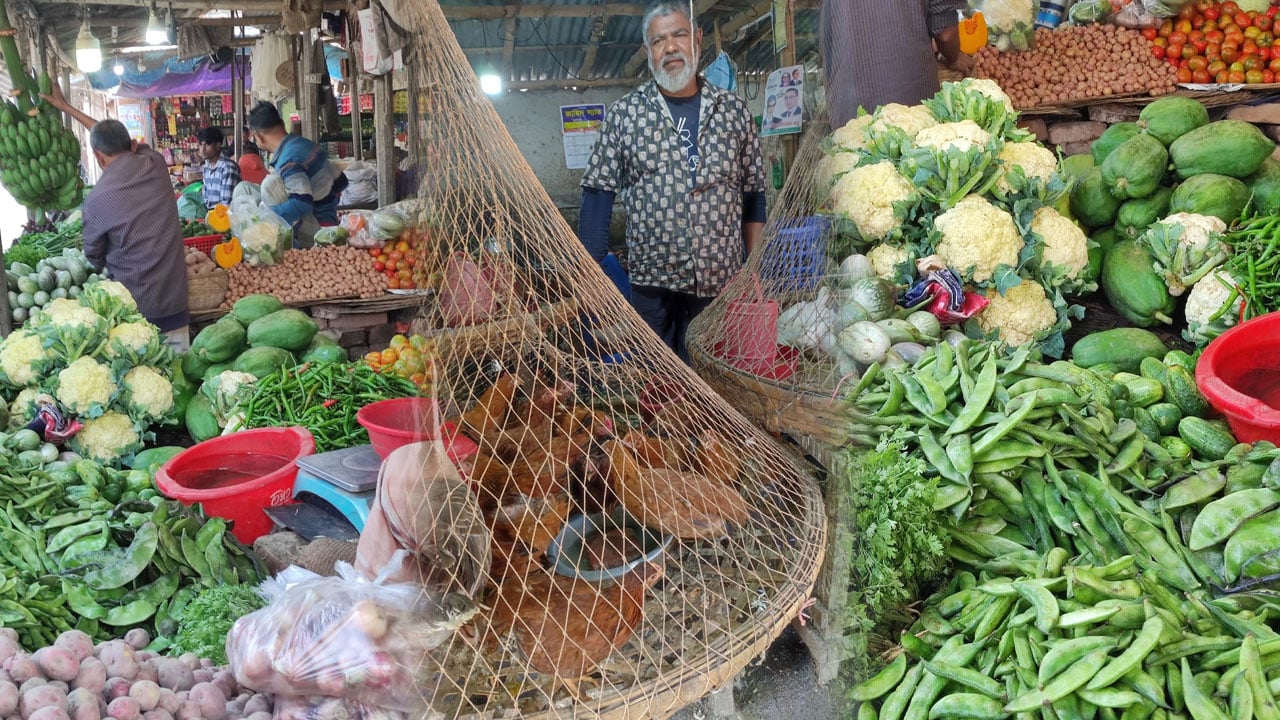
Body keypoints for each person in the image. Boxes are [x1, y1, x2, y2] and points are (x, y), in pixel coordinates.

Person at [578, 0, 766, 363]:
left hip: (720, 283)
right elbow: (597, 194)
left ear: (696, 39)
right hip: (652, 285)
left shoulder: (733, 112)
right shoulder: (625, 115)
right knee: (655, 382)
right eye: (659, 41)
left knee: (716, 380)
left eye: (679, 35)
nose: (671, 48)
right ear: (647, 51)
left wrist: (751, 268)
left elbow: (753, 194)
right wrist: (592, 271)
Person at [39, 87, 189, 349]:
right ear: (133, 145)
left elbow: (94, 257)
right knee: (181, 380)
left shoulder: (96, 201)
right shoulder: (154, 163)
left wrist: (67, 109)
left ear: (97, 157)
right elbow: (115, 140)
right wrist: (68, 108)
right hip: (174, 305)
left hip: (131, 316)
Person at [821, 0, 971, 128]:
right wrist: (954, 57)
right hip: (908, 104)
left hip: (846, 101)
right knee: (909, 155)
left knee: (853, 153)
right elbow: (945, 34)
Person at [246, 102, 347, 247]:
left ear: (258, 137)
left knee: (270, 184)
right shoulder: (302, 144)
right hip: (325, 212)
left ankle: (289, 245)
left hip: (319, 228)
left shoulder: (288, 159)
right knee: (246, 188)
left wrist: (267, 218)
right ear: (282, 124)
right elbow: (341, 181)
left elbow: (302, 203)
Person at [197, 126, 240, 209]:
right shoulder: (206, 167)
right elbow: (206, 198)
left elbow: (227, 204)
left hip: (226, 217)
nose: (202, 150)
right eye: (200, 145)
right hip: (212, 215)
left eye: (207, 144)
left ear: (218, 145)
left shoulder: (227, 168)